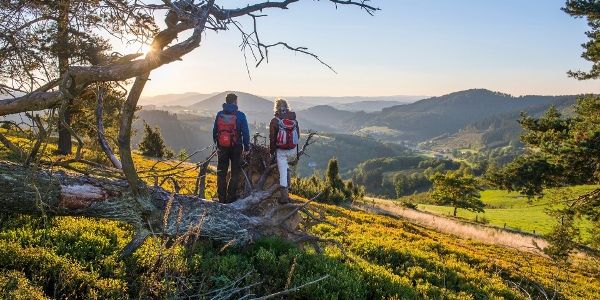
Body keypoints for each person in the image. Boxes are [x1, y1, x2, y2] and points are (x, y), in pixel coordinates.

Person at [213, 93, 250, 203]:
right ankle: (230, 197)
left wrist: (217, 145)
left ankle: (221, 198)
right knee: (234, 173)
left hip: (222, 147)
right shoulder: (240, 115)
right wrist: (246, 147)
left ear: (226, 101)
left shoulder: (220, 114)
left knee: (221, 173)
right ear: (235, 101)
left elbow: (215, 131)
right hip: (236, 147)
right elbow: (246, 133)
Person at [269, 98, 300, 203]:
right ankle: (288, 188)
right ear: (287, 106)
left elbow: (272, 139)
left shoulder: (275, 121)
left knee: (282, 172)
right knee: (287, 169)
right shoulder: (293, 120)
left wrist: (272, 152)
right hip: (292, 150)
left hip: (281, 150)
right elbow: (298, 136)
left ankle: (284, 197)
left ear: (276, 107)